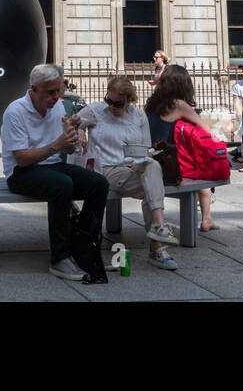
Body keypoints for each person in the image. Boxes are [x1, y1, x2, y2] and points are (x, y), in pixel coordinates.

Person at [1, 63, 110, 281]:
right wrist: (57, 145)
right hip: (21, 172)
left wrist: (74, 137)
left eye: (59, 90)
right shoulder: (15, 111)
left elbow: (67, 149)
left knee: (99, 183)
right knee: (61, 184)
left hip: (51, 165)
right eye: (50, 92)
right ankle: (60, 257)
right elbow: (21, 158)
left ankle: (86, 245)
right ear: (34, 89)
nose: (56, 96)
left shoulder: (58, 106)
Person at [73, 75, 179, 271]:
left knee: (153, 168)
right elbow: (72, 122)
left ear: (129, 100)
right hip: (107, 169)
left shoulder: (138, 115)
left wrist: (142, 156)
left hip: (134, 166)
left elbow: (146, 148)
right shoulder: (96, 110)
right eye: (109, 101)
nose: (112, 106)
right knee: (153, 187)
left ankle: (158, 227)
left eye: (118, 103)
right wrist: (79, 130)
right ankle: (157, 246)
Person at [145, 65, 219, 234]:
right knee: (202, 167)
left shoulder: (152, 103)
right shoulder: (178, 104)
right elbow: (205, 130)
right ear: (184, 84)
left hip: (153, 158)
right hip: (168, 164)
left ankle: (207, 218)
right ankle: (206, 218)